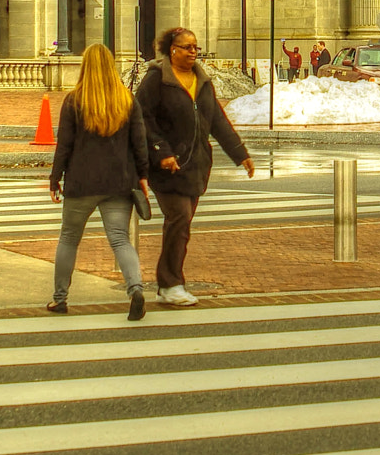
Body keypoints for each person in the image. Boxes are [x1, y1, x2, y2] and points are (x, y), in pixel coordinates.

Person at [140, 26, 255, 307]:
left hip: (195, 165)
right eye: (187, 47)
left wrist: (240, 153)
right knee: (179, 219)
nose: (193, 52)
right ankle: (170, 283)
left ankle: (169, 282)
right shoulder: (156, 80)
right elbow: (142, 120)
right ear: (172, 50)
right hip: (166, 168)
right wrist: (162, 153)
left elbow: (217, 120)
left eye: (195, 48)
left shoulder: (201, 81)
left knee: (182, 224)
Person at [47, 44, 151, 320]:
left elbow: (64, 146)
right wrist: (143, 175)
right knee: (120, 239)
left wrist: (55, 177)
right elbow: (139, 143)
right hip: (119, 181)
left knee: (69, 238)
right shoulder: (127, 99)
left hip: (81, 181)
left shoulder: (74, 101)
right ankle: (135, 289)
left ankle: (60, 298)